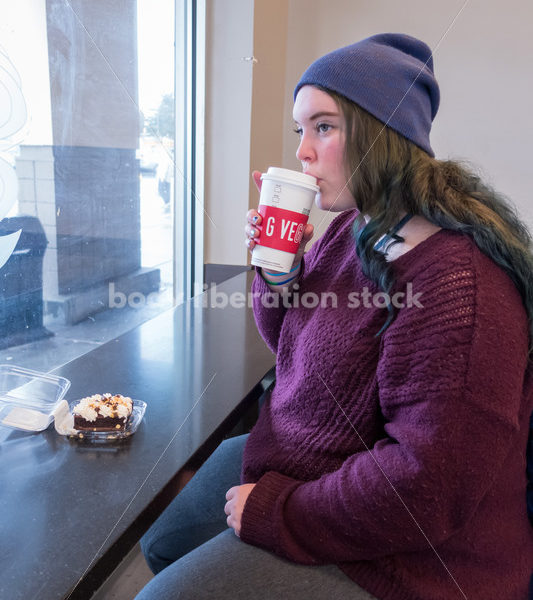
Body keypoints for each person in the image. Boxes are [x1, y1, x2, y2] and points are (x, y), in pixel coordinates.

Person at [136, 33, 533, 599]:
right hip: (313, 462)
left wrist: (278, 513)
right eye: (301, 129)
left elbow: (427, 489)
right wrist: (279, 273)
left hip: (414, 561)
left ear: (386, 135)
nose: (301, 150)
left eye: (323, 127)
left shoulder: (460, 285)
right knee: (164, 540)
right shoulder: (355, 228)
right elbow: (295, 347)